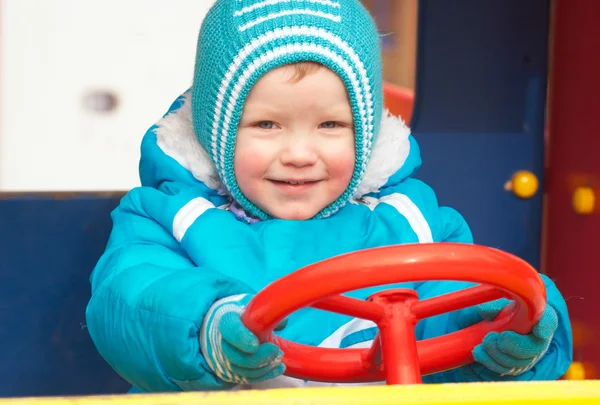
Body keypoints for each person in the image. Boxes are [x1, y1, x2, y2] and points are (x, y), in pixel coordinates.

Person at [85, 0, 572, 393]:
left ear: (363, 134)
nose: (300, 153)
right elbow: (130, 301)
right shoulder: (168, 219)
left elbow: (459, 304)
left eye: (331, 125)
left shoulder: (409, 222)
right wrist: (206, 328)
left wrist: (512, 330)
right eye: (266, 124)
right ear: (217, 132)